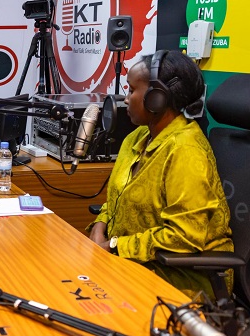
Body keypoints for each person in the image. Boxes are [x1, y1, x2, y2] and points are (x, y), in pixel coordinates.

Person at [87, 50, 233, 299]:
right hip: (131, 261)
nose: (125, 99)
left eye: (132, 90)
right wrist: (100, 226)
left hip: (181, 276)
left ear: (157, 99)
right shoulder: (137, 137)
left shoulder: (186, 150)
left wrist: (114, 245)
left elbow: (184, 237)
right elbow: (116, 199)